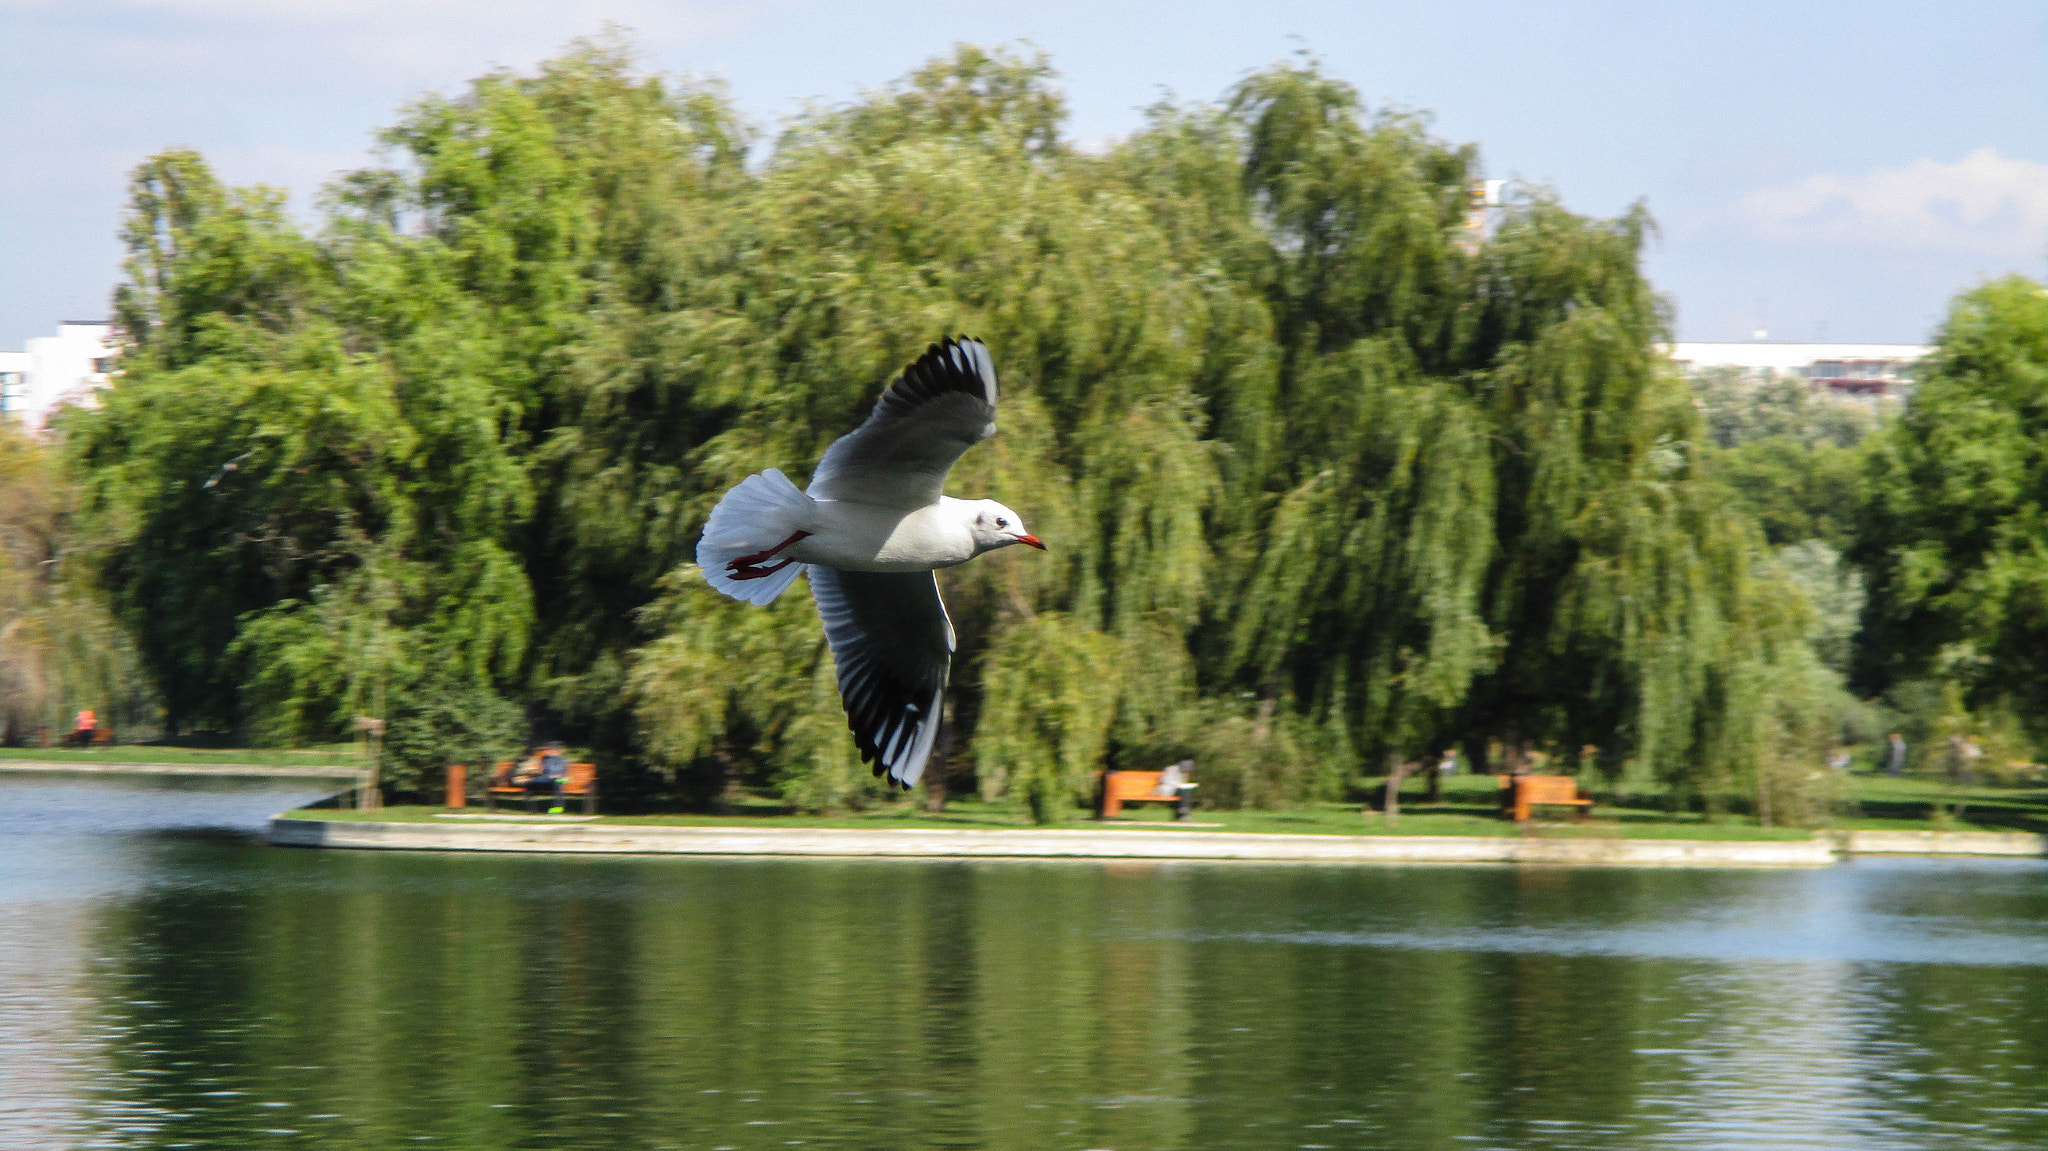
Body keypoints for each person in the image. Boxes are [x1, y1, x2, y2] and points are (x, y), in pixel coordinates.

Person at [538, 742, 568, 813]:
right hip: (548, 780)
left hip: (559, 779)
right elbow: (541, 772)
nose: (546, 751)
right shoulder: (545, 759)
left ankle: (557, 808)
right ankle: (557, 808)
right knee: (555, 782)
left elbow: (564, 772)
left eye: (548, 749)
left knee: (557, 782)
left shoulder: (561, 759)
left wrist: (556, 776)